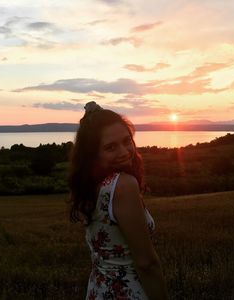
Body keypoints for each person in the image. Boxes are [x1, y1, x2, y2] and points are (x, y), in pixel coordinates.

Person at [68, 101, 169, 299]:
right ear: (93, 154)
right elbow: (147, 264)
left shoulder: (91, 186)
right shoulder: (123, 185)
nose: (124, 152)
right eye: (110, 147)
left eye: (126, 141)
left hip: (98, 291)